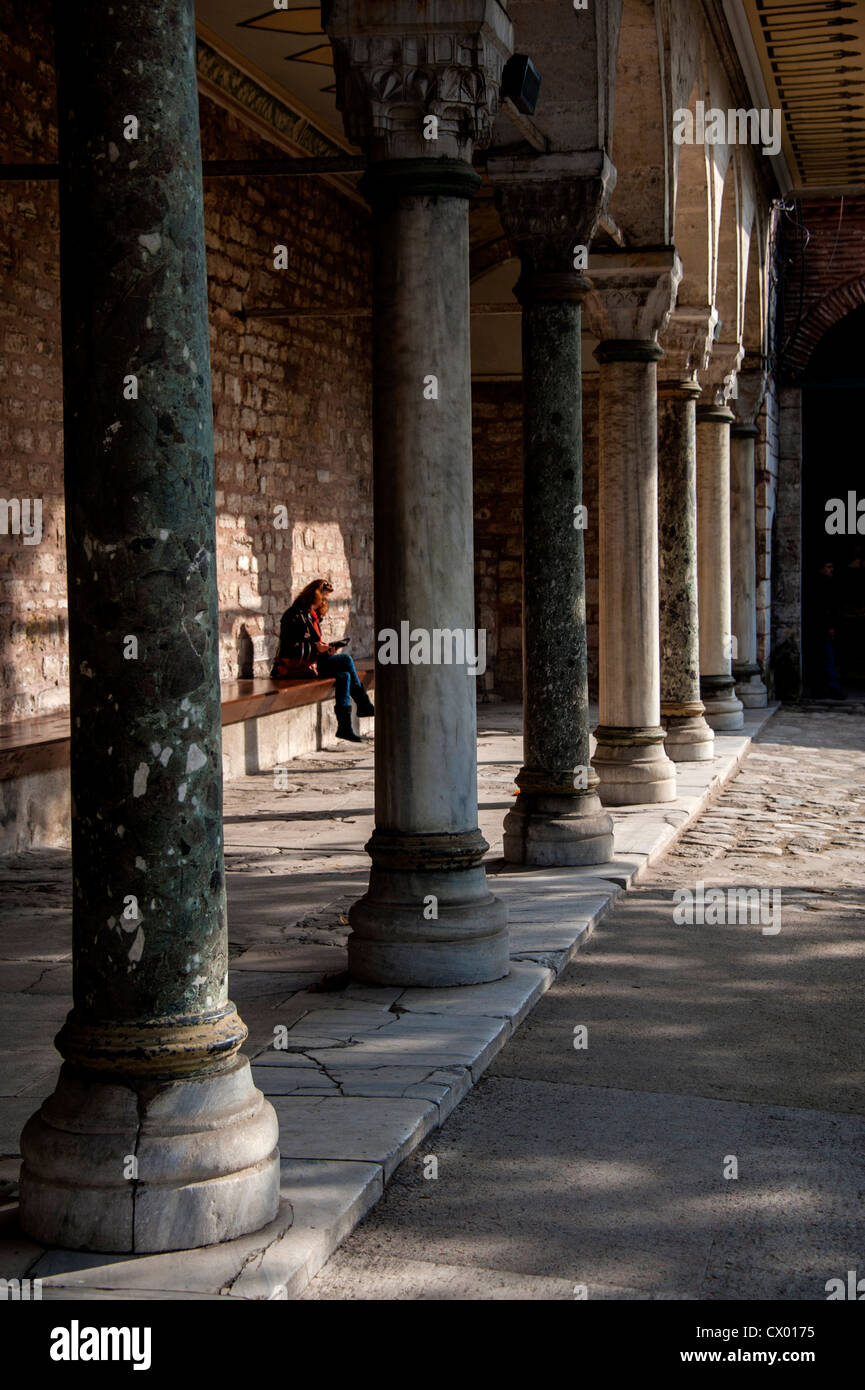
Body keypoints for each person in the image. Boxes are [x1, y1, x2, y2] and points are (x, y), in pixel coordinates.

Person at [271, 578, 374, 742]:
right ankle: (363, 704)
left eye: (326, 599)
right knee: (346, 660)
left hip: (312, 664)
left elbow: (314, 646)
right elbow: (289, 648)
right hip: (295, 667)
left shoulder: (313, 616)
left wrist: (327, 650)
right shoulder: (294, 615)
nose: (324, 602)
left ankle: (344, 727)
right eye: (323, 597)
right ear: (314, 595)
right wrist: (315, 648)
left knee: (344, 676)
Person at [805, 559, 843, 699]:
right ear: (821, 569)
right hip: (821, 629)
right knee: (826, 658)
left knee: (823, 658)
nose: (831, 569)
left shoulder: (824, 584)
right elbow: (825, 609)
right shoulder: (823, 585)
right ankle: (830, 688)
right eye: (828, 566)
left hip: (819, 628)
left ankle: (821, 689)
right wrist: (830, 626)